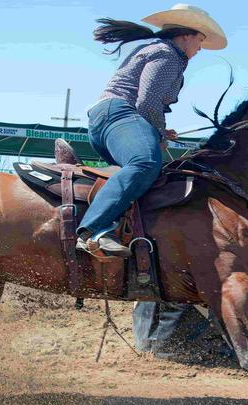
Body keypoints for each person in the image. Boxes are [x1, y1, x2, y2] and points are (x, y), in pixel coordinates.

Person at [75, 5, 227, 257]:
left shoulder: (156, 50)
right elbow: (147, 102)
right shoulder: (168, 54)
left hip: (109, 118)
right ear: (186, 35)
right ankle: (95, 229)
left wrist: (160, 131)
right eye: (200, 40)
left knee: (141, 174)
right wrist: (158, 132)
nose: (200, 48)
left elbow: (146, 102)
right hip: (120, 114)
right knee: (145, 162)